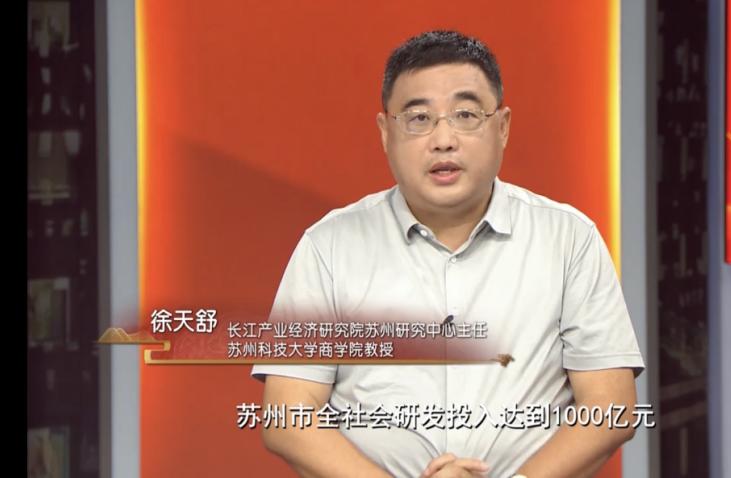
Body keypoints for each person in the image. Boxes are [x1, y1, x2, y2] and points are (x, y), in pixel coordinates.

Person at [252, 30, 644, 478]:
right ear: (385, 132)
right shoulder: (329, 246)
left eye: (465, 115)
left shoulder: (569, 238)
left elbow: (611, 407)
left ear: (502, 127)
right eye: (419, 118)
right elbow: (287, 417)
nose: (443, 140)